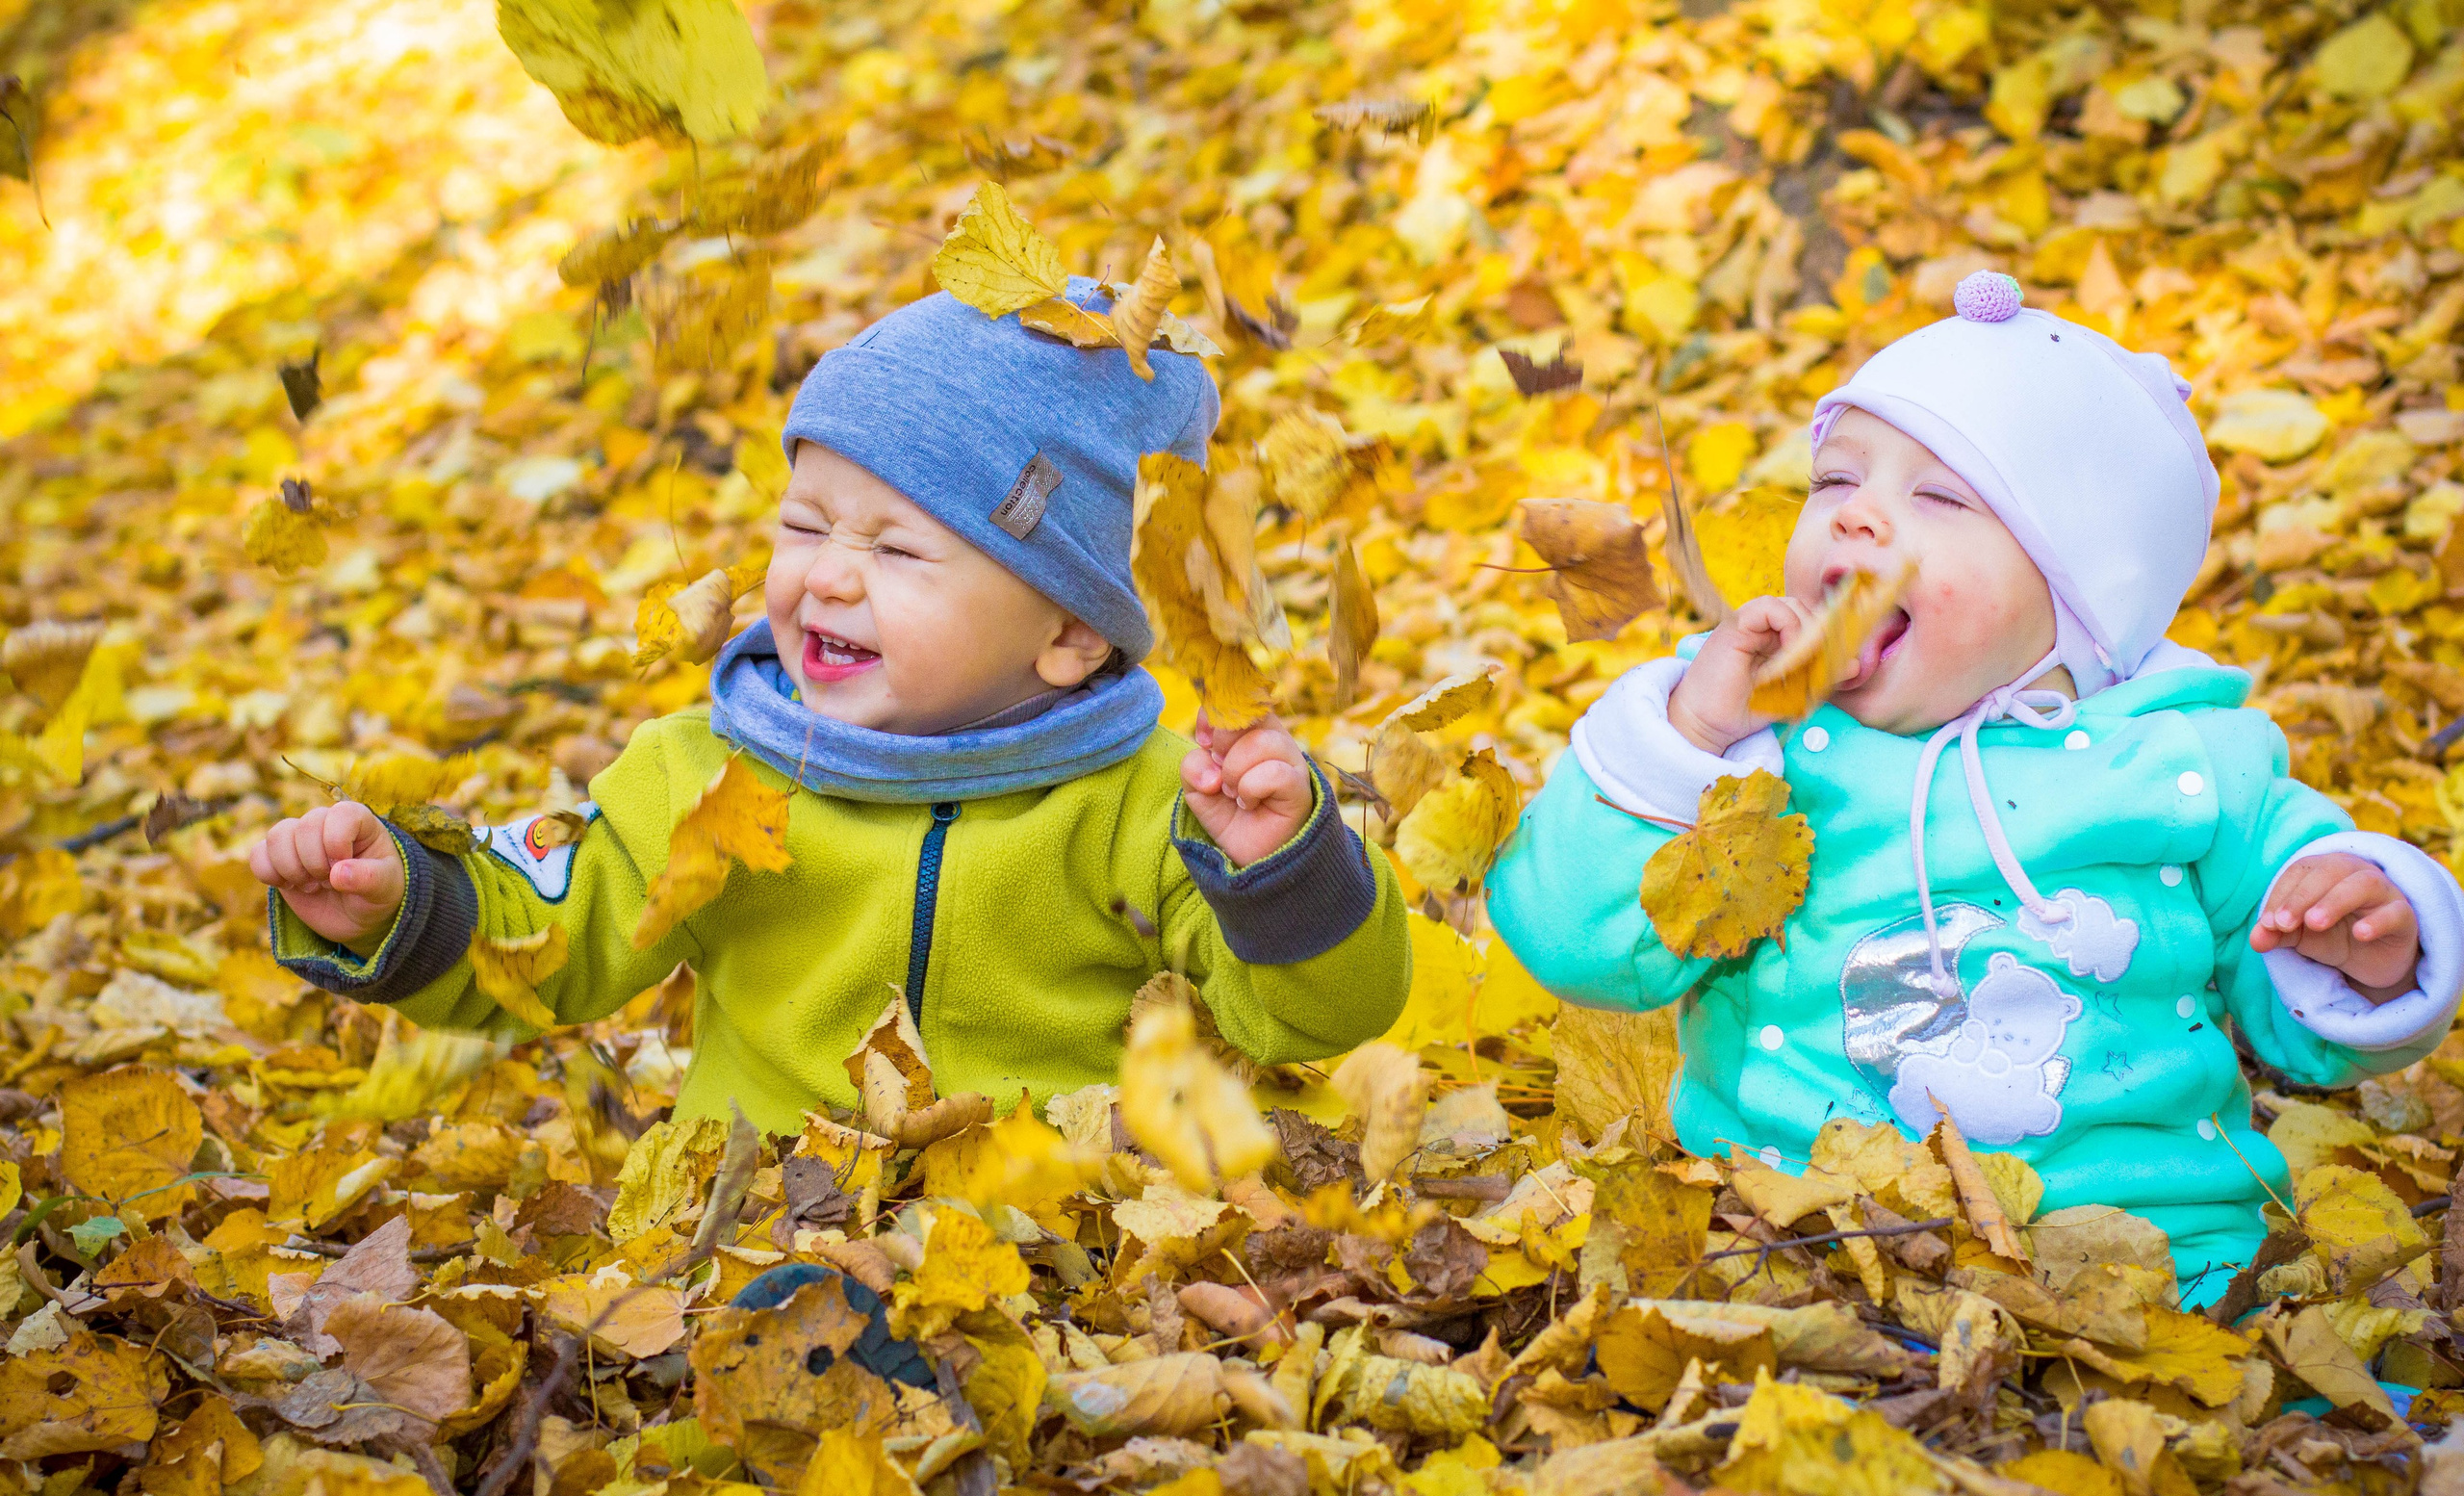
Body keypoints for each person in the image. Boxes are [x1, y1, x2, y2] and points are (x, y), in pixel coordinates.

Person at [1489, 271, 2464, 1305]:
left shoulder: (2187, 762)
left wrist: (2364, 954)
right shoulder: (1754, 744)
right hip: (1799, 1243)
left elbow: (2299, 1032)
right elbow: (1574, 946)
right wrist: (1687, 737)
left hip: (2158, 1259)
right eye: (1834, 482)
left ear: (2079, 596)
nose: (1858, 516)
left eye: (1941, 496)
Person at [251, 279, 1412, 1133]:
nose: (830, 575)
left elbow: (1314, 1022)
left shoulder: (1148, 802)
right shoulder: (702, 769)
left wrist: (1283, 874)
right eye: (804, 526)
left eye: (900, 549)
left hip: (1065, 1227)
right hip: (760, 1222)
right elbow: (555, 932)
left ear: (1065, 633)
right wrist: (403, 896)